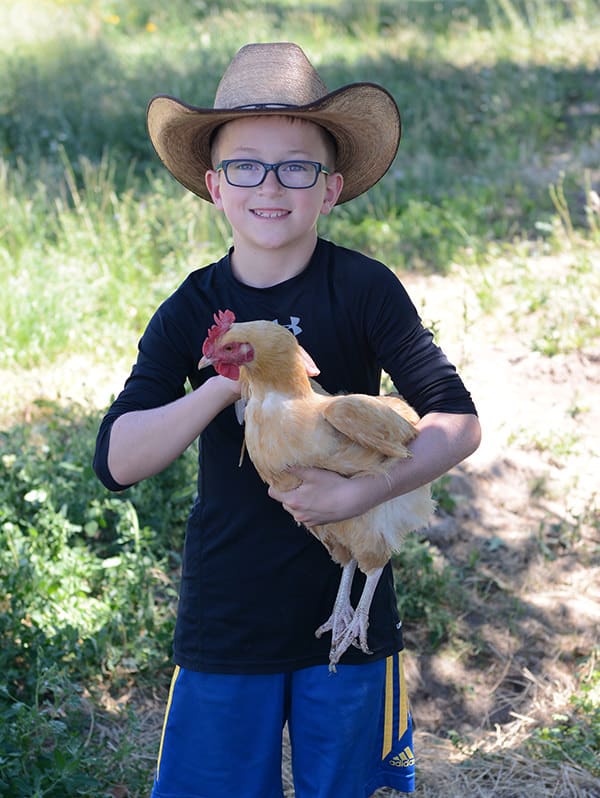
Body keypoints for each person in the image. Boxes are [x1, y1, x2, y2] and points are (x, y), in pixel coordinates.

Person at [94, 42, 481, 798]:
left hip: (352, 621)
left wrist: (362, 493)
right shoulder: (192, 306)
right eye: (245, 165)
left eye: (296, 167)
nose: (270, 186)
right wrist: (222, 386)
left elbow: (457, 422)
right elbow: (118, 461)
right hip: (228, 615)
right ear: (213, 185)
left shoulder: (364, 289)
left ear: (330, 189)